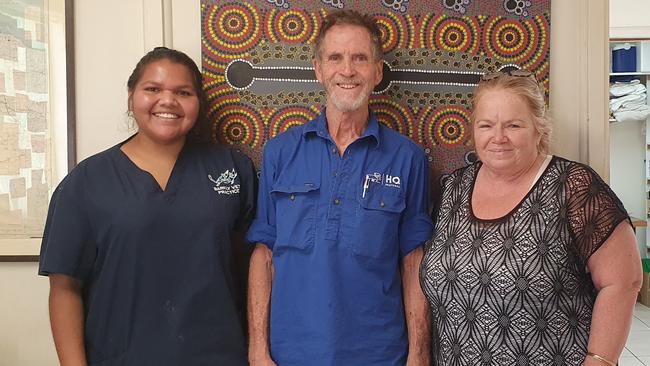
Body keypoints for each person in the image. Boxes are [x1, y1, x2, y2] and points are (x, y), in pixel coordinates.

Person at [38, 47, 257, 365]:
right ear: (131, 97)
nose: (167, 101)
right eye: (152, 89)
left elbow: (259, 268)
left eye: (183, 92)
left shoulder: (234, 170)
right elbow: (64, 289)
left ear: (198, 103)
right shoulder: (86, 182)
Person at [246, 9, 434, 366]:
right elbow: (264, 256)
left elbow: (413, 264)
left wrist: (418, 355)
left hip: (380, 355)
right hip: (291, 354)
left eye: (360, 58)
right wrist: (258, 351)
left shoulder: (408, 158)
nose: (347, 70)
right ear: (318, 69)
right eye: (335, 58)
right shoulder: (280, 152)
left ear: (377, 72)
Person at [420, 69, 643, 365]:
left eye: (513, 125)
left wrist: (599, 360)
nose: (498, 137)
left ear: (539, 128)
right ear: (474, 130)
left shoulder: (573, 187)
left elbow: (623, 281)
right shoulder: (453, 189)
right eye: (486, 125)